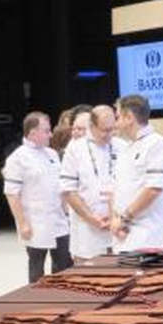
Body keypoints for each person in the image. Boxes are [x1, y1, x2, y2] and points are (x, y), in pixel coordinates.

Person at [2, 111, 70, 281]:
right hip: (35, 222)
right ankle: (38, 303)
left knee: (64, 264)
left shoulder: (52, 155)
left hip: (59, 220)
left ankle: (64, 298)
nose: (51, 134)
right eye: (46, 131)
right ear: (33, 133)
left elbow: (59, 187)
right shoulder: (17, 159)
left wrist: (67, 212)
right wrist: (22, 223)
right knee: (37, 267)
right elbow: (12, 193)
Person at [110, 94, 163, 253]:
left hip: (146, 236)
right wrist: (116, 220)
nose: (115, 124)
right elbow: (117, 188)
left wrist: (124, 218)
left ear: (129, 118)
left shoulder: (158, 144)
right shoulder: (126, 148)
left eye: (118, 118)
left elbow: (154, 189)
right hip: (122, 234)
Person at [60, 105, 116, 259]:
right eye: (104, 130)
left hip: (118, 229)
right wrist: (91, 218)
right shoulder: (75, 149)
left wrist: (117, 217)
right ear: (92, 126)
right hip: (87, 231)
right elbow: (68, 190)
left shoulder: (122, 146)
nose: (109, 134)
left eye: (112, 129)